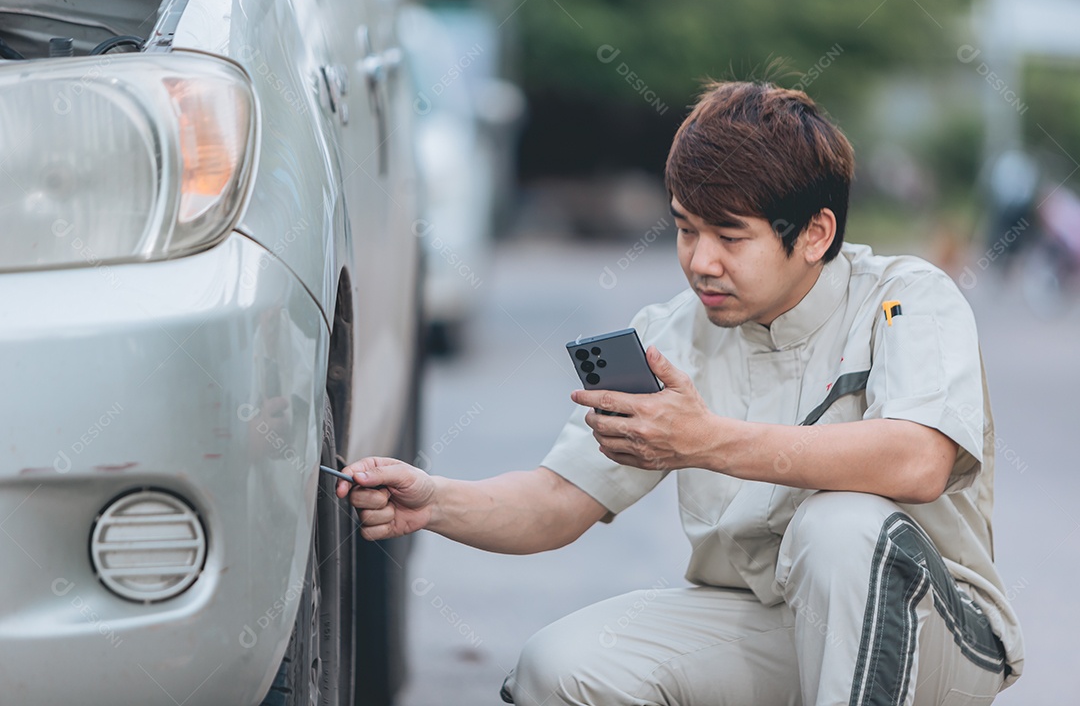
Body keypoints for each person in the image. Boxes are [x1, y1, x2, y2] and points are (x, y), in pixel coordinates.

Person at [336, 80, 1024, 706]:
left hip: (934, 631)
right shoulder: (665, 337)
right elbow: (554, 502)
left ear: (816, 233)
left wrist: (707, 441)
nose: (700, 260)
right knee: (561, 668)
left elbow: (918, 460)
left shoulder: (907, 301)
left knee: (840, 528)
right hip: (766, 621)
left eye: (730, 236)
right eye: (686, 227)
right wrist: (435, 500)